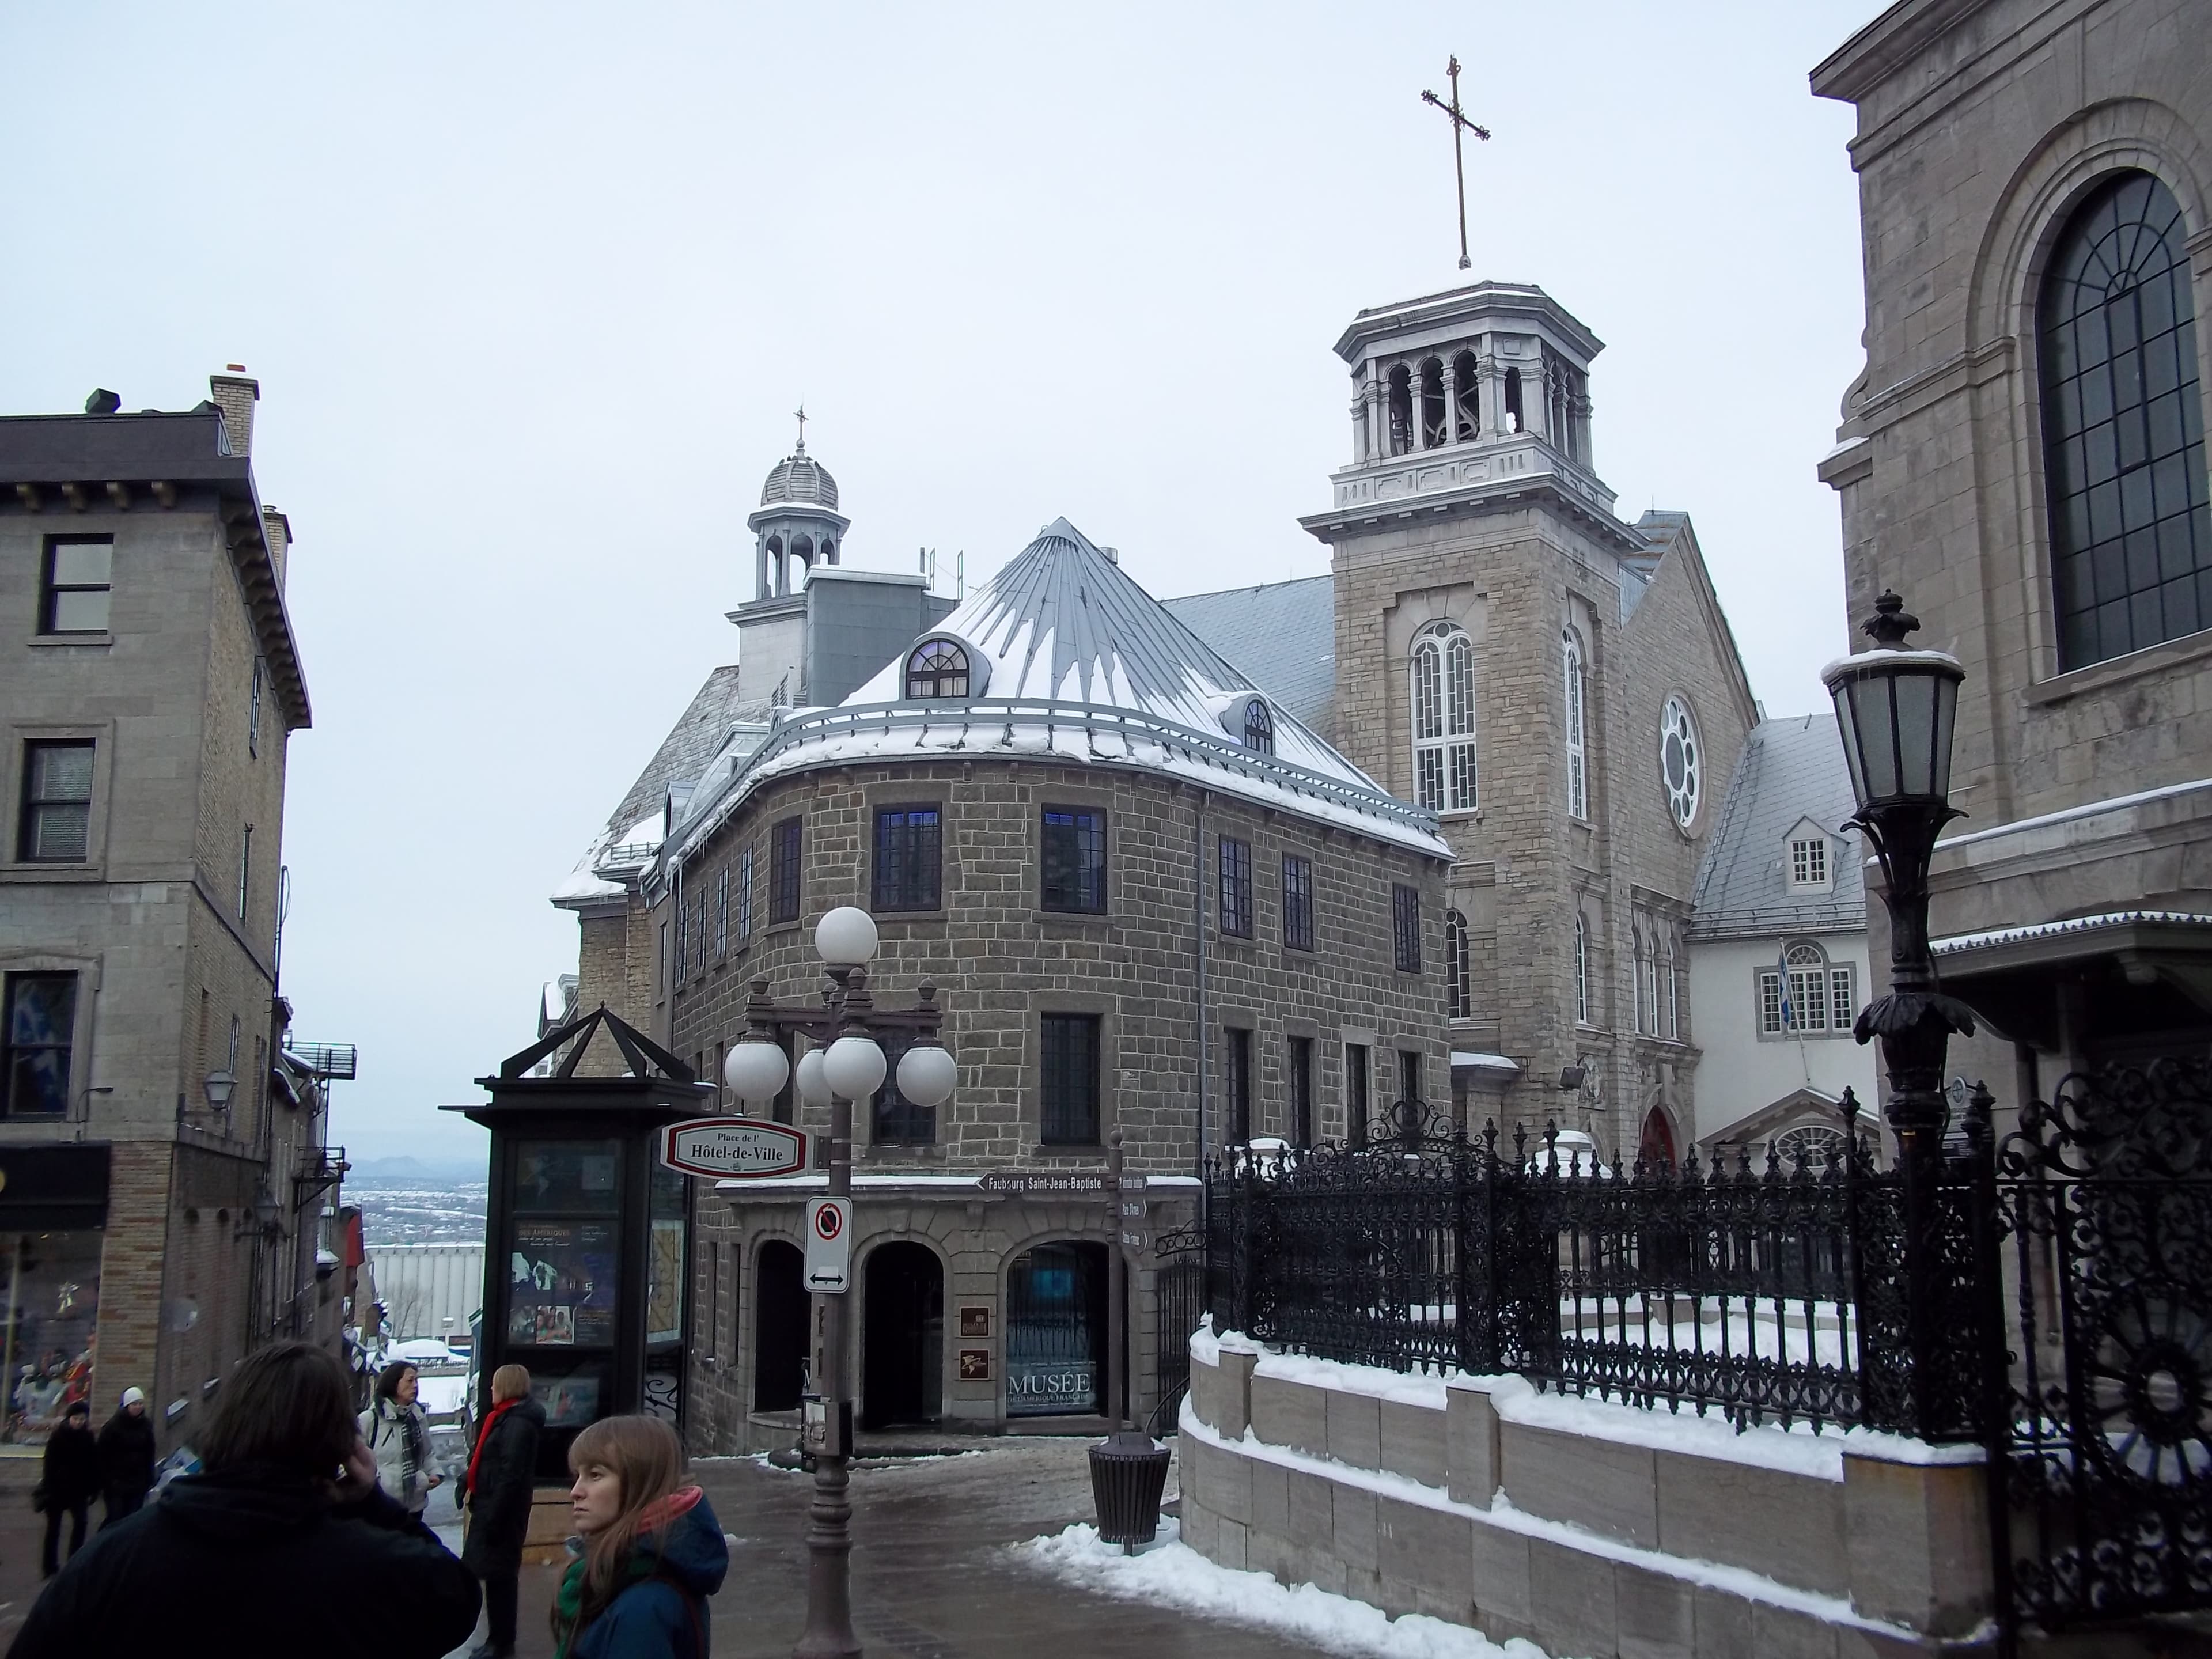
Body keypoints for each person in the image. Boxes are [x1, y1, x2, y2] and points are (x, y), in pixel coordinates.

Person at [6, 1340, 480, 1659]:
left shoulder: (112, 1559)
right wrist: (372, 1501)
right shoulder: (370, 1567)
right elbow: (456, 1600)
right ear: (337, 1443)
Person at [551, 1415, 726, 1659]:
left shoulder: (642, 1607)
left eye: (595, 1475)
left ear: (640, 1483)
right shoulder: (619, 1577)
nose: (576, 1492)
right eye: (577, 1476)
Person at [459, 1364, 544, 1659]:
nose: (491, 1390)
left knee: (501, 1578)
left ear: (506, 1386)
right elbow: (486, 1460)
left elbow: (511, 1475)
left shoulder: (518, 1424)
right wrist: (466, 1482)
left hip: (502, 1513)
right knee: (494, 1577)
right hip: (491, 1509)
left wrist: (495, 1517)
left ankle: (502, 1643)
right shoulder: (503, 1418)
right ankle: (497, 1639)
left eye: (495, 1385)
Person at [361, 1360, 443, 1518]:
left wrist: (435, 1474)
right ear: (394, 1383)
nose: (416, 1386)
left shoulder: (418, 1418)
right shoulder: (370, 1419)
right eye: (410, 1380)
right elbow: (352, 1460)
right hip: (380, 1505)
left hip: (414, 1505)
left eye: (417, 1380)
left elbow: (427, 1453)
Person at [38, 1400, 97, 1577]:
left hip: (78, 1489)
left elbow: (92, 1464)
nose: (79, 1422)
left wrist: (93, 1488)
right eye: (76, 1419)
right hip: (58, 1489)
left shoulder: (87, 1437)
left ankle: (75, 1561)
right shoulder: (58, 1436)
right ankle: (49, 1567)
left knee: (81, 1523)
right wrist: (48, 1488)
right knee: (53, 1528)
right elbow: (49, 1464)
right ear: (69, 1418)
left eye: (82, 1419)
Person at [95, 1386, 156, 1528]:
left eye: (140, 1404)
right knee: (115, 1519)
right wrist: (106, 1481)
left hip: (138, 1482)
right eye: (134, 1404)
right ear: (127, 1405)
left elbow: (150, 1452)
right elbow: (102, 1454)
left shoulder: (146, 1425)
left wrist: (149, 1477)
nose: (138, 1407)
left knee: (133, 1520)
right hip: (117, 1483)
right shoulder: (113, 1427)